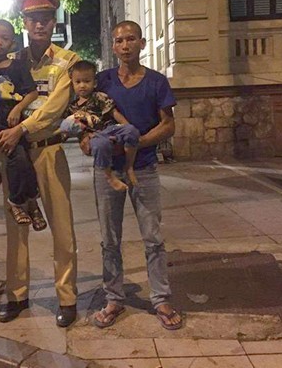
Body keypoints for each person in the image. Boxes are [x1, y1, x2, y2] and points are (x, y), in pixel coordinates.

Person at [83, 20, 183, 331]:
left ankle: (161, 299)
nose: (125, 45)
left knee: (153, 238)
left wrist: (136, 142)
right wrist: (86, 140)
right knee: (109, 239)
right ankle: (114, 298)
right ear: (113, 47)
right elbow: (85, 116)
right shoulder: (101, 81)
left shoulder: (155, 82)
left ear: (141, 43)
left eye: (131, 39)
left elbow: (169, 125)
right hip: (107, 171)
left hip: (145, 169)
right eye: (119, 40)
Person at [0, 0, 80, 328]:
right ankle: (17, 295)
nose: (39, 24)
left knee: (62, 227)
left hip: (49, 151)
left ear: (54, 22)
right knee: (16, 227)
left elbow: (55, 107)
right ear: (24, 24)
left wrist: (21, 128)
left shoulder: (67, 62)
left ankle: (67, 297)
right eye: (33, 19)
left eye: (45, 18)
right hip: (15, 155)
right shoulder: (10, 63)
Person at [0, 20, 47, 230]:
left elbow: (32, 92)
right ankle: (22, 202)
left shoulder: (18, 66)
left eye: (4, 38)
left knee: (23, 158)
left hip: (13, 119)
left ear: (12, 43)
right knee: (17, 157)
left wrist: (18, 108)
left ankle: (27, 201)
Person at [60, 60, 140, 191]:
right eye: (78, 82)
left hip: (111, 129)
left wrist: (127, 126)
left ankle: (129, 166)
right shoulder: (72, 107)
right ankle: (109, 177)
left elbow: (115, 113)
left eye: (87, 81)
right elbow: (67, 128)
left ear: (95, 82)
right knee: (101, 145)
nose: (82, 86)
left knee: (132, 131)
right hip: (94, 137)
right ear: (72, 83)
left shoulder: (100, 97)